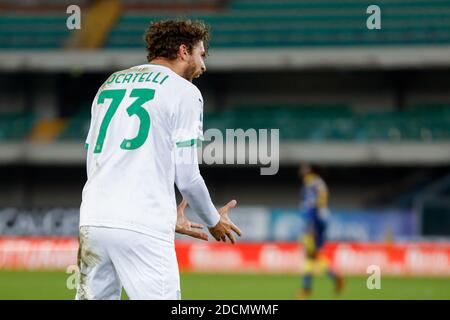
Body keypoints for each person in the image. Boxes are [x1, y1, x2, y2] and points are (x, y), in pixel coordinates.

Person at [76, 19, 242, 300]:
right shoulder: (184, 92)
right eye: (201, 55)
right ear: (183, 51)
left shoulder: (109, 84)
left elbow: (95, 159)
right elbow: (188, 179)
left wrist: (164, 215)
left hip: (93, 221)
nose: (203, 66)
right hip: (143, 228)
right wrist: (213, 220)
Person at [297, 164, 343, 299]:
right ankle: (333, 276)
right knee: (314, 256)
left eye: (303, 170)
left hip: (314, 223)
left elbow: (312, 205)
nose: (301, 172)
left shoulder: (310, 183)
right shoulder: (319, 183)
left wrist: (311, 226)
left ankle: (307, 289)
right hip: (320, 221)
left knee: (309, 255)